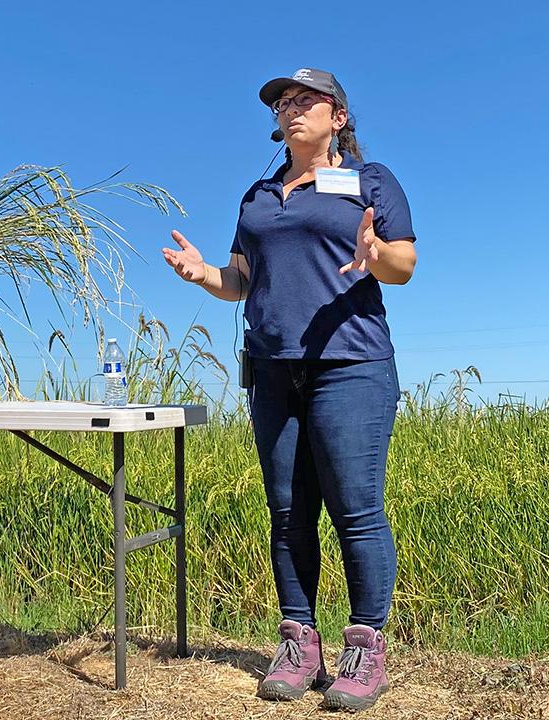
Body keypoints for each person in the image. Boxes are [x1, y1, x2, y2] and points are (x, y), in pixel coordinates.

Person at [161, 67, 417, 712]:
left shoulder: (369, 180)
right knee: (287, 510)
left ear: (338, 117)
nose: (290, 108)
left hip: (350, 365)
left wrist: (373, 253)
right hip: (273, 367)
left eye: (306, 100)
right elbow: (241, 279)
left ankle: (365, 647)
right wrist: (203, 275)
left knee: (354, 505)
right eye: (283, 102)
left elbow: (404, 266)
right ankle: (299, 642)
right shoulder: (257, 195)